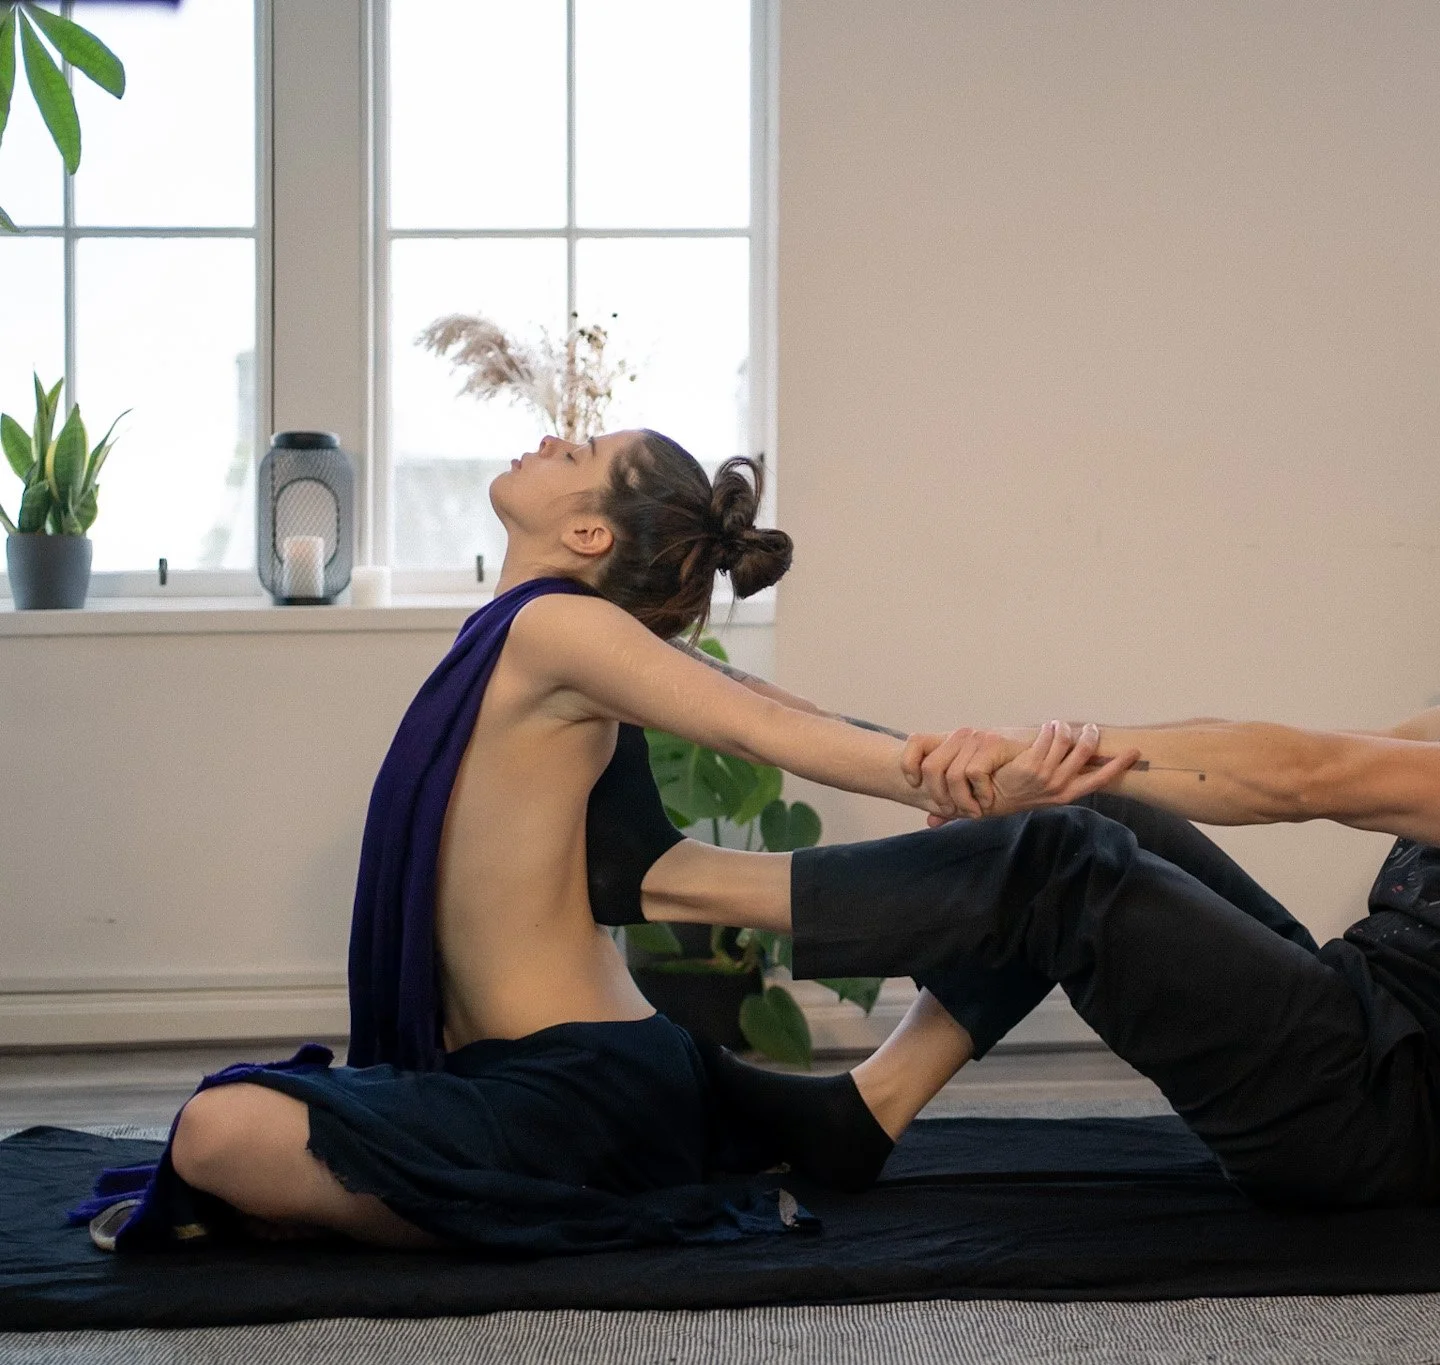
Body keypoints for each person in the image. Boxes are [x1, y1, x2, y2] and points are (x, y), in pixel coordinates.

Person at [89, 430, 1126, 1254]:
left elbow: (759, 725)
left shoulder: (559, 628)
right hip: (550, 1074)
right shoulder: (524, 630)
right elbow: (765, 705)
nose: (548, 439)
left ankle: (531, 1210)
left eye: (576, 455)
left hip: (580, 1083)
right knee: (230, 1129)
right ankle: (590, 1168)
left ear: (589, 536)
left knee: (217, 1134)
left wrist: (957, 783)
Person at [630, 445, 1440, 1206]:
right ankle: (866, 1110)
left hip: (1381, 1128)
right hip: (1354, 1033)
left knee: (1065, 857)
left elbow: (1302, 775)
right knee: (1087, 810)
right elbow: (1239, 744)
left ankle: (671, 881)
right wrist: (986, 763)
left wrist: (1036, 754)